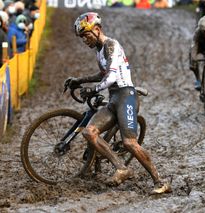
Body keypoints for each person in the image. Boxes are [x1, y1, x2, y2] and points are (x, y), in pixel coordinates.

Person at [65, 12, 172, 195]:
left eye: (86, 35)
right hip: (114, 98)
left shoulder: (111, 45)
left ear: (97, 30)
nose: (84, 40)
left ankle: (160, 181)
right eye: (82, 37)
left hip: (126, 96)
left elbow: (112, 76)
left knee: (129, 143)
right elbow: (102, 75)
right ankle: (122, 168)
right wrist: (80, 81)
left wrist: (94, 89)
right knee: (90, 133)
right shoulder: (99, 51)